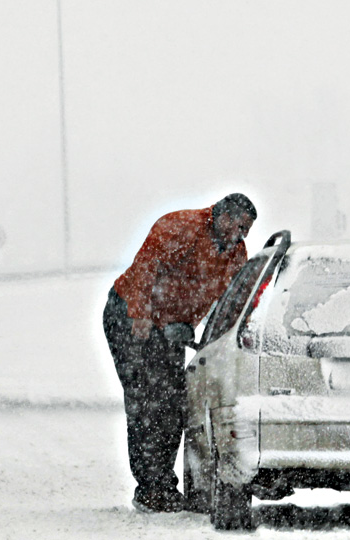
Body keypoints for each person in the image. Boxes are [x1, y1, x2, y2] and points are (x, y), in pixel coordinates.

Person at [102, 193, 256, 513]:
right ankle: (151, 489)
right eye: (240, 226)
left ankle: (162, 485)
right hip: (129, 316)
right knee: (148, 401)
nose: (242, 235)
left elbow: (235, 301)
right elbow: (146, 268)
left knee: (172, 404)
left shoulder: (235, 252)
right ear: (224, 218)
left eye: (247, 230)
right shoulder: (181, 226)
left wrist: (228, 336)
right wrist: (142, 317)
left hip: (170, 327)